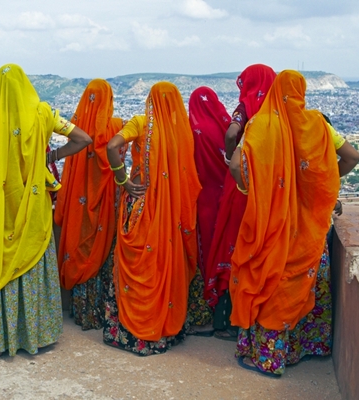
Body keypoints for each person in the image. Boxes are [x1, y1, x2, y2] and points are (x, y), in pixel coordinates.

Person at [229, 70, 359, 377]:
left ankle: (267, 356)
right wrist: (320, 185)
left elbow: (236, 164)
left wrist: (250, 190)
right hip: (310, 223)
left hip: (272, 222)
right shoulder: (318, 124)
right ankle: (306, 346)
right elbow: (352, 156)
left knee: (269, 282)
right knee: (304, 280)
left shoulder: (259, 125)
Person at [0, 64, 92, 357]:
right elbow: (83, 139)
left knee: (0, 263)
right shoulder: (42, 113)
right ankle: (36, 333)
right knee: (31, 261)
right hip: (32, 206)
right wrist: (50, 155)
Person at [104, 81, 201, 355]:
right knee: (163, 266)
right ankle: (162, 331)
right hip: (170, 213)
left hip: (141, 207)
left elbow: (112, 146)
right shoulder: (182, 131)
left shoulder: (140, 122)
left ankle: (130, 333)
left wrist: (122, 179)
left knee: (137, 267)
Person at [205, 64, 276, 341]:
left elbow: (232, 133)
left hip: (243, 187)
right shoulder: (278, 106)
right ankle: (255, 320)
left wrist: (230, 158)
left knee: (234, 246)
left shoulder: (246, 107)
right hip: (270, 188)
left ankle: (230, 318)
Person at [54, 79, 125, 331]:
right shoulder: (116, 127)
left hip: (78, 202)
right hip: (104, 202)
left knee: (78, 245)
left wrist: (52, 155)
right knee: (102, 250)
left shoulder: (75, 127)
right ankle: (101, 311)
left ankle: (82, 310)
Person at [185, 86, 231, 336]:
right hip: (226, 199)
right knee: (225, 253)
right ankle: (225, 317)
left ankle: (204, 312)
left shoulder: (190, 132)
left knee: (202, 255)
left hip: (200, 200)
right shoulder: (227, 128)